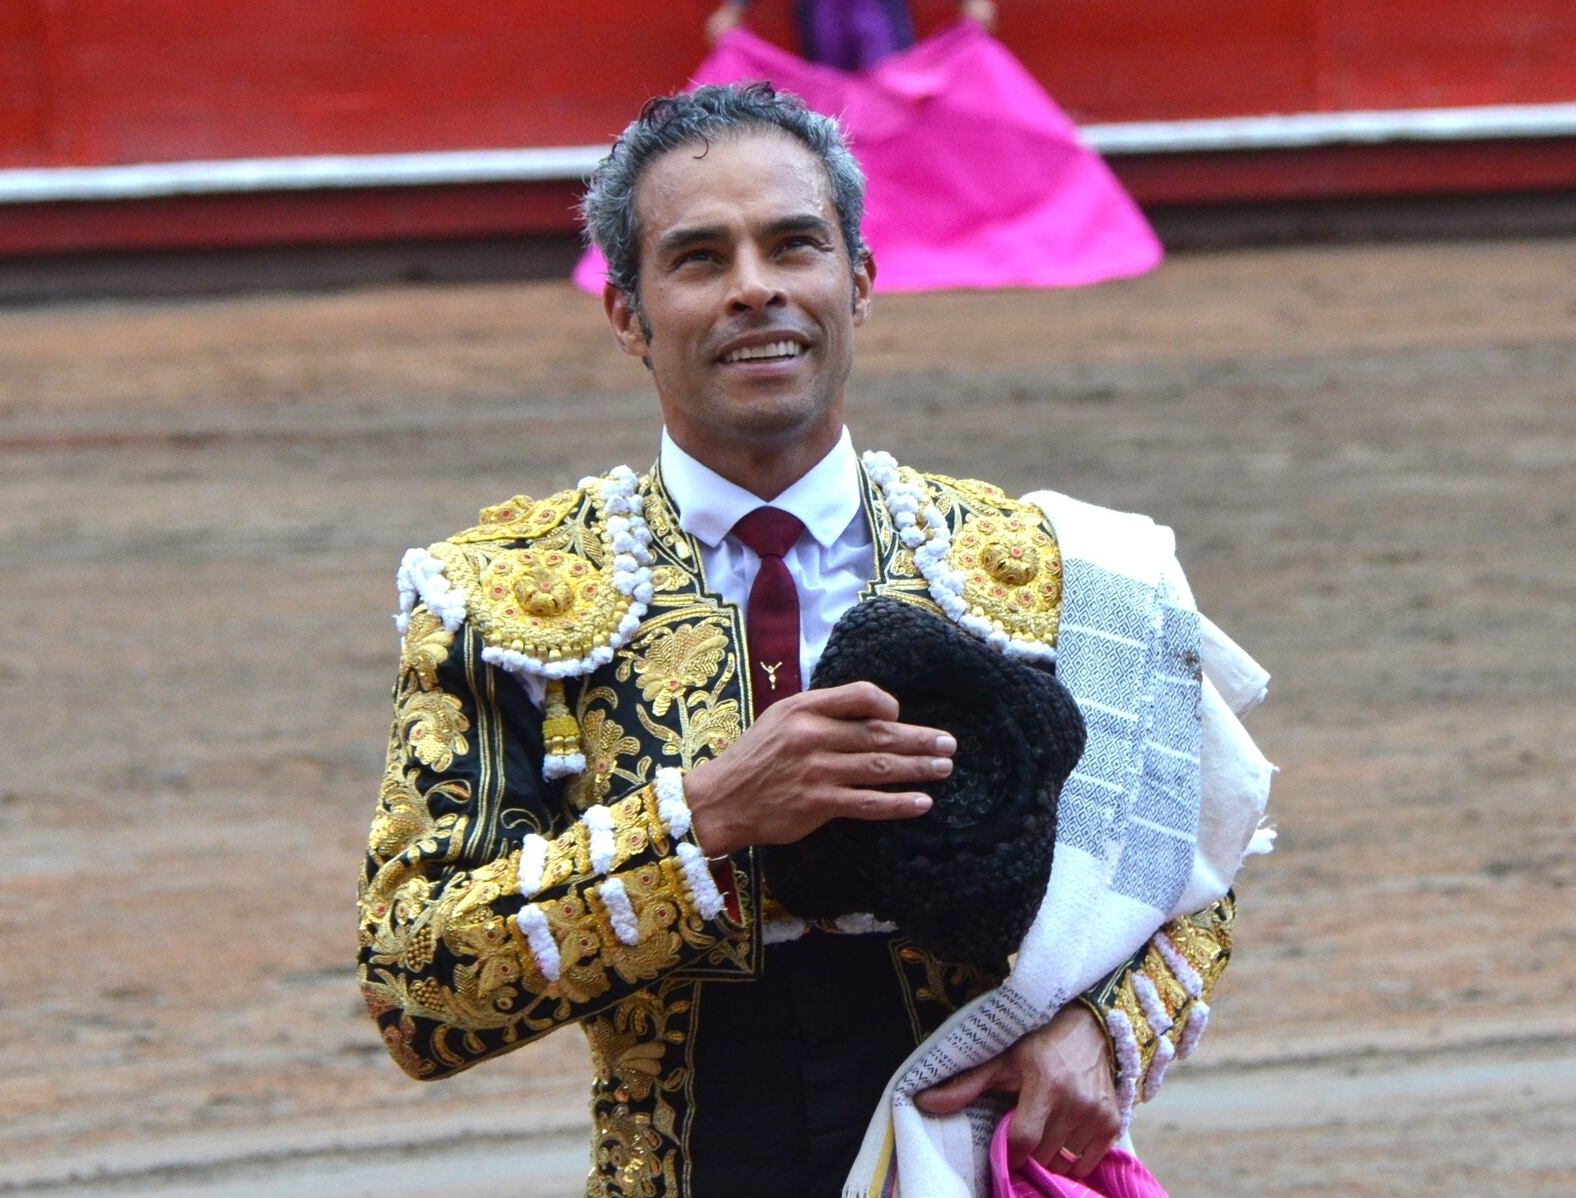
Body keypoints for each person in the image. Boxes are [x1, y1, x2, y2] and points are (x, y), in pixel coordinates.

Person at [358, 84, 1264, 1198]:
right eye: (698, 259)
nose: (756, 289)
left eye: (795, 244)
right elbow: (413, 991)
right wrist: (704, 818)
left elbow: (1189, 868)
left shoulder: (1045, 567)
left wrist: (1098, 1027)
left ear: (861, 281)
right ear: (628, 315)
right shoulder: (501, 598)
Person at [706, 0, 997, 70]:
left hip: (876, 10)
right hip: (824, 10)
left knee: (892, 94)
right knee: (833, 103)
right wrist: (735, 8)